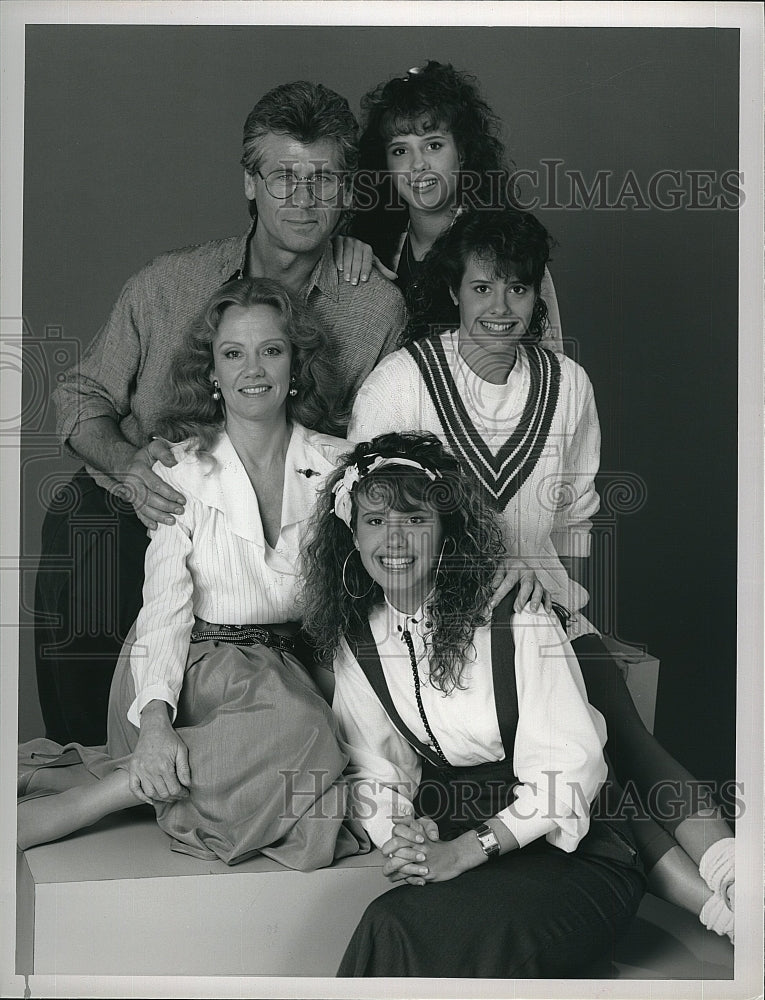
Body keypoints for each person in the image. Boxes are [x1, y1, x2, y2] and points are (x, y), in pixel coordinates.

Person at [347, 205, 735, 943]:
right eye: (482, 287)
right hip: (443, 616)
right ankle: (723, 906)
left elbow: (572, 521)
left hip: (541, 607)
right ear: (454, 291)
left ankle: (735, 883)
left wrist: (556, 603)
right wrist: (468, 586)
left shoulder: (568, 384)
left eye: (518, 290)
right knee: (601, 762)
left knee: (620, 736)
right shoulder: (402, 380)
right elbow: (365, 506)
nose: (500, 308)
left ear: (537, 297)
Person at [36, 79, 407, 746]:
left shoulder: (372, 308)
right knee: (82, 519)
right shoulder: (167, 285)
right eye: (282, 176)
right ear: (249, 182)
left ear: (349, 191)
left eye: (322, 179)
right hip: (144, 507)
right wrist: (126, 463)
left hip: (272, 525)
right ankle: (89, 761)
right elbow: (79, 397)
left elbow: (367, 449)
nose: (302, 199)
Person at [18, 277, 365, 870]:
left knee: (340, 741)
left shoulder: (339, 466)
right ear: (211, 372)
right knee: (306, 734)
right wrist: (155, 721)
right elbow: (165, 610)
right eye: (233, 353)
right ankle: (95, 801)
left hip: (287, 664)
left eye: (271, 350)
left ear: (295, 364)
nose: (253, 369)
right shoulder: (179, 470)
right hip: (190, 666)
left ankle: (137, 781)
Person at [299, 432, 645, 977]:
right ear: (351, 535)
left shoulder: (517, 616)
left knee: (425, 932)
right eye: (375, 520)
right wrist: (403, 837)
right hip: (458, 839)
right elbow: (374, 765)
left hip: (570, 855)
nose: (394, 539)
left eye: (415, 520)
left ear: (445, 532)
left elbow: (571, 774)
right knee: (390, 921)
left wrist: (462, 852)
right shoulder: (359, 641)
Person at [333, 60, 562, 347]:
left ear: (462, 152)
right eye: (400, 150)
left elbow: (550, 367)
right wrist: (340, 247)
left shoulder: (510, 246)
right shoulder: (373, 243)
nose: (417, 165)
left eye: (433, 145)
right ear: (385, 164)